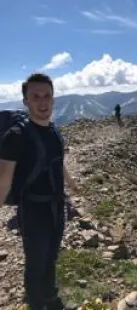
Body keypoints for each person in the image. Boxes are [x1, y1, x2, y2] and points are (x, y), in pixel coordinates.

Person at [0, 73, 79, 310]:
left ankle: (51, 298)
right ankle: (36, 304)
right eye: (36, 97)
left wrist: (72, 184)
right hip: (32, 209)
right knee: (36, 262)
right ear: (25, 101)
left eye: (47, 96)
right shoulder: (15, 137)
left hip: (57, 206)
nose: (43, 102)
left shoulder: (54, 132)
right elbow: (4, 179)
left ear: (53, 99)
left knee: (52, 257)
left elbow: (56, 161)